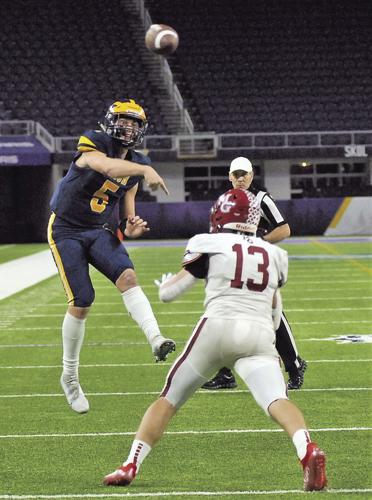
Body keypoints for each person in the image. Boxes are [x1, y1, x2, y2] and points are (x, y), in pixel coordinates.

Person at [103, 188, 327, 492]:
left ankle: (131, 463)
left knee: (168, 399)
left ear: (221, 214)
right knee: (277, 400)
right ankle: (307, 450)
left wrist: (166, 282)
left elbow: (169, 294)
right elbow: (276, 311)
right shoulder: (275, 253)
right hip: (259, 334)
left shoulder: (207, 242)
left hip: (217, 328)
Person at [47, 99, 176, 414]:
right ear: (110, 122)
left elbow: (126, 211)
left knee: (128, 276)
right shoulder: (94, 143)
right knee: (82, 301)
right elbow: (105, 167)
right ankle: (70, 376)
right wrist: (145, 169)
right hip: (65, 228)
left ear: (140, 130)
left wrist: (130, 228)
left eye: (134, 123)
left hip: (97, 228)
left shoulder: (137, 162)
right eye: (123, 121)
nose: (127, 127)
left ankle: (155, 337)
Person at [202, 156, 307, 391]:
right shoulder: (224, 201)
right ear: (229, 176)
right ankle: (225, 374)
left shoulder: (261, 199)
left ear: (251, 176)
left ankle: (294, 365)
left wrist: (259, 241)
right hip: (232, 266)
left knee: (273, 315)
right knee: (223, 315)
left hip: (257, 265)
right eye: (236, 175)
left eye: (245, 174)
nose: (240, 179)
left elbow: (284, 229)